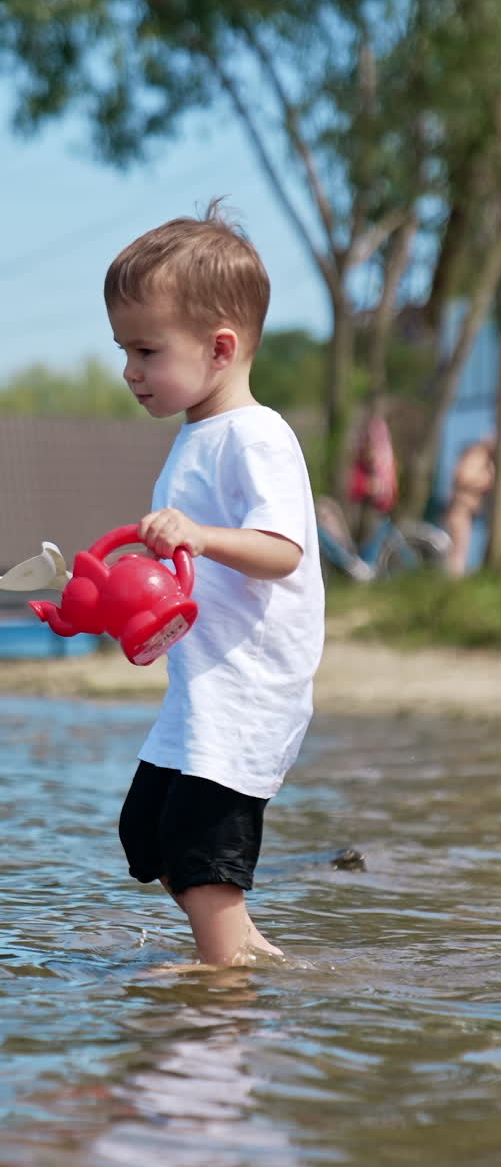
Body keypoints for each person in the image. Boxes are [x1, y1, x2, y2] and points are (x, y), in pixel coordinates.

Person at [105, 201, 325, 966]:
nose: (130, 371)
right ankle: (247, 952)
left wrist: (198, 534)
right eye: (124, 350)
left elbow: (282, 549)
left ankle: (221, 989)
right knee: (148, 830)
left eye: (146, 350)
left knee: (201, 849)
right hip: (201, 689)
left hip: (249, 690)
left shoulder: (257, 435)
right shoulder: (198, 436)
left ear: (220, 347)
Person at [443, 439, 496, 577]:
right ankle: (453, 583)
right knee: (458, 552)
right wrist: (487, 480)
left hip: (469, 512)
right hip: (460, 510)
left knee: (462, 551)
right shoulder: (478, 454)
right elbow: (463, 477)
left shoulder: (484, 456)